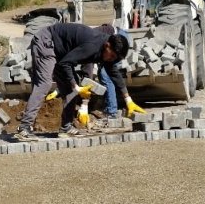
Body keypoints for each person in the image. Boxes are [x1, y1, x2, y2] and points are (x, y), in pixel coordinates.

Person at [11, 22, 141, 142]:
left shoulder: (105, 51)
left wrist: (128, 99)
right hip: (46, 42)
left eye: (115, 58)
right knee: (44, 83)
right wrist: (76, 86)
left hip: (60, 52)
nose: (111, 59)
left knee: (70, 90)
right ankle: (24, 128)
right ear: (107, 45)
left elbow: (114, 73)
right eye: (112, 56)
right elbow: (66, 64)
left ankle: (65, 128)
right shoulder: (93, 46)